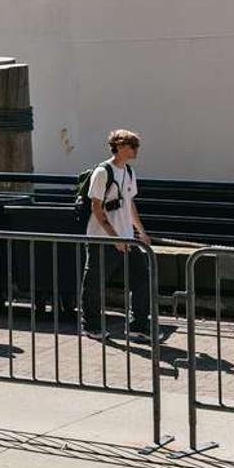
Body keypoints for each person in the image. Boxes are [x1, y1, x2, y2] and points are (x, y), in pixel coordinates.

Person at [81, 129, 152, 340]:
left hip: (127, 237)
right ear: (120, 147)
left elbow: (129, 204)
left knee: (141, 278)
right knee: (95, 282)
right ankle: (91, 325)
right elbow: (96, 207)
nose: (136, 150)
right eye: (132, 146)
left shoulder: (129, 172)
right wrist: (114, 237)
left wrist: (141, 232)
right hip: (102, 239)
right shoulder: (103, 172)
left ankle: (139, 325)